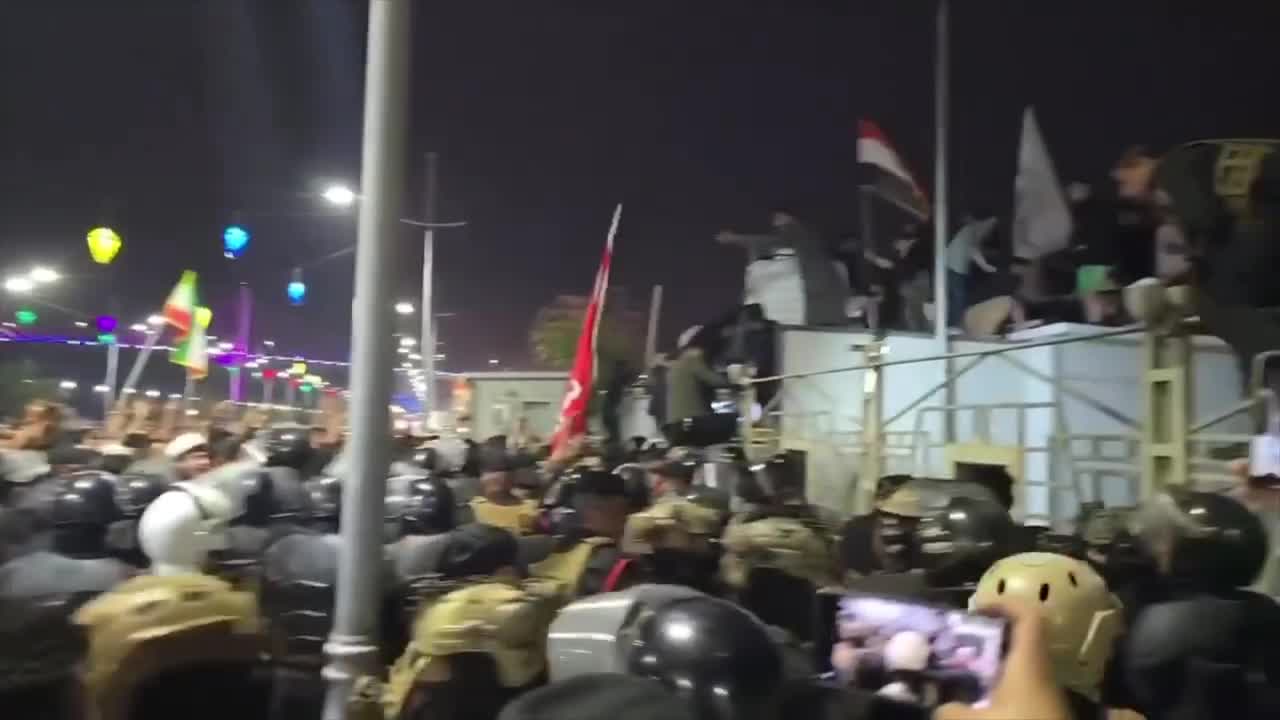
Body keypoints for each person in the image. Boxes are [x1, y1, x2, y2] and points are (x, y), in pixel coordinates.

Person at [718, 210, 849, 326]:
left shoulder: (803, 245)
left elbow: (770, 242)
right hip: (817, 318)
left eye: (780, 220)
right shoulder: (813, 256)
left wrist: (735, 239)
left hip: (812, 316)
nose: (777, 224)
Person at [663, 331, 730, 444]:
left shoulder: (676, 365)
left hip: (674, 424)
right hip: (692, 423)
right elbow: (715, 380)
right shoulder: (692, 360)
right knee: (731, 422)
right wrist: (734, 380)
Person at [945, 214, 999, 329]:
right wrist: (986, 266)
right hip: (954, 269)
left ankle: (951, 325)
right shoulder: (971, 231)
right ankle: (953, 326)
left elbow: (974, 250)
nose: (989, 232)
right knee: (959, 299)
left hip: (950, 267)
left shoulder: (966, 232)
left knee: (955, 299)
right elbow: (973, 250)